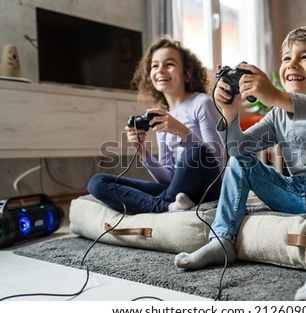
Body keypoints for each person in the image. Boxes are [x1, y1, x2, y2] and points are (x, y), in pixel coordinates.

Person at [174, 27, 306, 300]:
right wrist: (230, 113)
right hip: (298, 194)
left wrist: (276, 95)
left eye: (305, 57)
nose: (291, 63)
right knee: (241, 161)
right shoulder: (278, 114)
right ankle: (222, 240)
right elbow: (237, 148)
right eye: (286, 58)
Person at [88, 36, 225, 214]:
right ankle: (167, 207)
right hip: (178, 193)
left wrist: (181, 131)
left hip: (208, 188)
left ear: (186, 71)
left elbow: (217, 160)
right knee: (97, 182)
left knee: (197, 151)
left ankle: (158, 205)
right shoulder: (162, 115)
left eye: (169, 64)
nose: (160, 70)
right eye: (154, 65)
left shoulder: (201, 102)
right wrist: (141, 150)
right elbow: (167, 179)